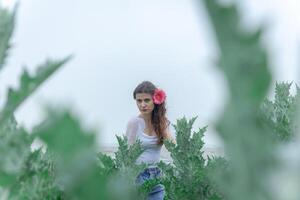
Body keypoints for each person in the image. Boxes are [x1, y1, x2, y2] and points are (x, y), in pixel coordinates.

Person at [125, 81, 175, 200]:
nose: (142, 104)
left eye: (146, 100)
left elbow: (173, 148)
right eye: (139, 101)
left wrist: (162, 125)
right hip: (138, 176)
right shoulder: (134, 123)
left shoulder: (162, 123)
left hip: (156, 176)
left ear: (155, 100)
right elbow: (128, 154)